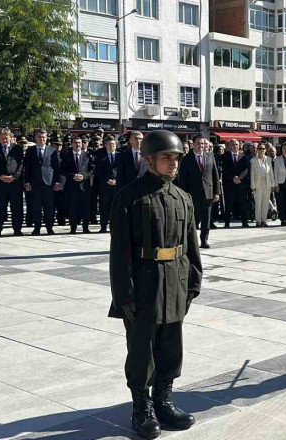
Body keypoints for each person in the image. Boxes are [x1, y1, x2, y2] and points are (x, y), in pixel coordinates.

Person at [108, 130, 201, 439]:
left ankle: (164, 400)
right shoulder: (129, 196)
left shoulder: (183, 197)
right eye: (166, 157)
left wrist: (193, 283)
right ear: (148, 159)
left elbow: (191, 245)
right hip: (143, 284)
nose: (173, 163)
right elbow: (119, 252)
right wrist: (124, 295)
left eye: (175, 158)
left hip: (175, 280)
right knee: (141, 349)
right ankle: (141, 407)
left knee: (170, 345)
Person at [176, 136, 221, 248]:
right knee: (192, 219)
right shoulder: (186, 159)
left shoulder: (210, 156)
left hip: (208, 192)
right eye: (198, 143)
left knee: (206, 219)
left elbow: (215, 175)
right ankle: (191, 241)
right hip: (192, 193)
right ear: (193, 145)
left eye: (202, 144)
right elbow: (183, 179)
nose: (201, 146)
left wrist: (217, 192)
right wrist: (183, 194)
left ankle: (204, 240)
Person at [23, 129, 63, 236]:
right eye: (40, 137)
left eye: (44, 137)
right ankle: (37, 228)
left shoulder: (52, 151)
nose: (42, 139)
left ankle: (49, 228)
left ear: (46, 138)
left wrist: (57, 182)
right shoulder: (30, 151)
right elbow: (27, 168)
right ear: (36, 138)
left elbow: (56, 168)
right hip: (35, 183)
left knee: (49, 207)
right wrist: (27, 182)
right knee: (36, 207)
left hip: (49, 183)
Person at [62, 135, 95, 234]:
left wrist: (84, 176)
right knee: (73, 208)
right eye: (75, 143)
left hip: (84, 186)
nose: (77, 145)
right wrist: (72, 176)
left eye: (79, 143)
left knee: (85, 208)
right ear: (72, 144)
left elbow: (92, 169)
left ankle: (85, 227)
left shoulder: (87, 155)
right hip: (72, 186)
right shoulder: (67, 156)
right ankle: (73, 228)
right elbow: (62, 170)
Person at [221, 139, 251, 228]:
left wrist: (240, 177)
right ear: (229, 146)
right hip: (229, 184)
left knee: (242, 203)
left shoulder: (244, 156)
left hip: (241, 183)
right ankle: (227, 222)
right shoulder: (225, 156)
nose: (235, 146)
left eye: (237, 144)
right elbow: (224, 170)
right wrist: (233, 177)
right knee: (228, 203)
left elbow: (246, 169)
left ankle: (244, 222)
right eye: (233, 144)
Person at [96, 135, 120, 233]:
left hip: (117, 186)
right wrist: (107, 180)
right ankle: (103, 226)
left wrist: (116, 180)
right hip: (105, 186)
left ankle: (116, 226)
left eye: (113, 144)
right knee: (104, 207)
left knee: (116, 207)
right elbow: (98, 171)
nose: (111, 146)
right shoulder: (101, 156)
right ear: (105, 145)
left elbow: (123, 171)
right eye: (109, 144)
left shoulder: (120, 156)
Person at [250, 143, 275, 227]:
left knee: (265, 203)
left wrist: (273, 184)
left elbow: (271, 171)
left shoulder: (268, 159)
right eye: (260, 148)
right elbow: (252, 173)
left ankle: (264, 220)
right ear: (257, 150)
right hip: (258, 183)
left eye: (263, 149)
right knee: (258, 203)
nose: (262, 150)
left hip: (267, 183)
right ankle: (258, 220)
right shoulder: (253, 160)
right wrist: (253, 185)